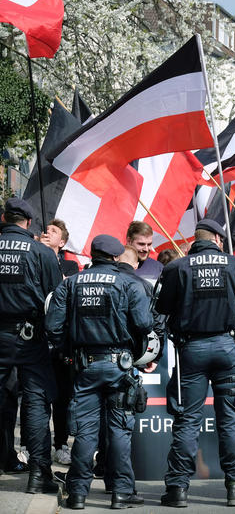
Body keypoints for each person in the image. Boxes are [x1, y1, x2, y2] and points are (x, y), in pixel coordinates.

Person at [45, 234, 155, 509]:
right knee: (119, 430)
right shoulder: (129, 283)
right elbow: (143, 324)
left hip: (85, 365)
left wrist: (67, 352)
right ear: (117, 257)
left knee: (86, 432)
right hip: (120, 366)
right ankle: (120, 493)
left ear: (92, 255)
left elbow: (53, 327)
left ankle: (79, 493)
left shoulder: (70, 284)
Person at [155, 219, 235, 508]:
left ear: (196, 240)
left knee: (187, 420)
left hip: (191, 349)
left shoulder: (177, 267)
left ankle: (177, 489)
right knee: (232, 421)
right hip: (228, 348)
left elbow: (161, 309)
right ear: (218, 240)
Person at [0, 198, 62, 494]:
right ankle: (39, 473)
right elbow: (55, 301)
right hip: (30, 336)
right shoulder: (41, 252)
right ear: (28, 222)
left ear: (4, 218)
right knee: (37, 401)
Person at [39, 218, 77, 467]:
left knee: (62, 397)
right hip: (37, 339)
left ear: (62, 241)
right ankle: (33, 446)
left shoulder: (71, 266)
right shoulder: (34, 257)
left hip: (62, 342)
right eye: (46, 229)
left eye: (53, 231)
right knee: (37, 397)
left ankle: (61, 444)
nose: (46, 233)